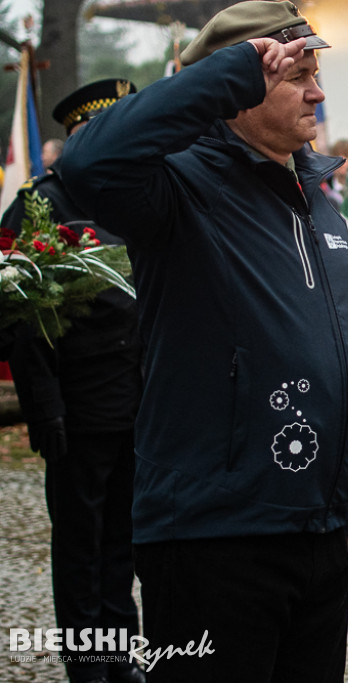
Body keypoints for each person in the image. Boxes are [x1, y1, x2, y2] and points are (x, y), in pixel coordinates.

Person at [58, 3, 348, 681]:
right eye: (298, 74)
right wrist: (233, 70)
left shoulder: (315, 191)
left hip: (316, 531)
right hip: (214, 536)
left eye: (317, 73)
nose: (319, 92)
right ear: (241, 87)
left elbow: (337, 358)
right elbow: (87, 163)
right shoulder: (177, 184)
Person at [2, 79, 146, 683]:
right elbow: (16, 314)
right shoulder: (42, 204)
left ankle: (121, 654)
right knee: (80, 545)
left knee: (126, 542)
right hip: (79, 405)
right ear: (80, 136)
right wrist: (46, 406)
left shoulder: (138, 195)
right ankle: (88, 664)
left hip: (140, 399)